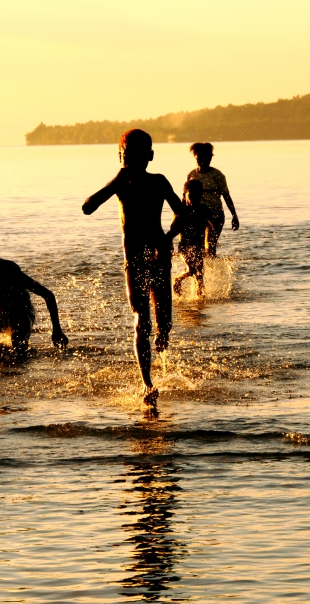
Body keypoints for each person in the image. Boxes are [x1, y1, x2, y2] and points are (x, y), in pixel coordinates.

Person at [82, 129, 187, 406]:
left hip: (146, 258)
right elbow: (184, 216)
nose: (127, 162)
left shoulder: (136, 181)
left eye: (127, 157)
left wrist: (117, 179)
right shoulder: (139, 181)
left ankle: (148, 380)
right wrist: (166, 238)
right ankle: (148, 383)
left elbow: (87, 207)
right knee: (146, 320)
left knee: (155, 324)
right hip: (148, 257)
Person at [186, 142, 239, 257]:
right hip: (197, 215)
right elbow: (185, 197)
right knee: (197, 247)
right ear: (195, 157)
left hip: (215, 214)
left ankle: (214, 271)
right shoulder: (192, 175)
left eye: (207, 158)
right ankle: (199, 272)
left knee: (209, 246)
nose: (203, 160)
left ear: (210, 158)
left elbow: (226, 196)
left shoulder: (217, 175)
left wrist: (234, 215)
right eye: (200, 158)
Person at [173, 180, 209, 298]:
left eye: (198, 196)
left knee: (200, 278)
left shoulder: (204, 209)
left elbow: (212, 224)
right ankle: (178, 279)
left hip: (198, 247)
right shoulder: (181, 210)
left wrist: (209, 242)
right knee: (191, 269)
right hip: (184, 248)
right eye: (192, 195)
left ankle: (200, 304)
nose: (195, 198)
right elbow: (173, 228)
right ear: (185, 195)